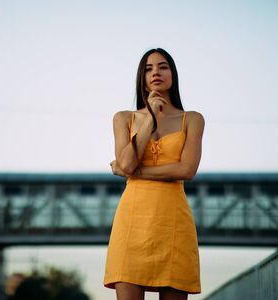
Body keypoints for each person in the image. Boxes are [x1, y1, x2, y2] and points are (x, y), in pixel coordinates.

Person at [103, 48, 205, 300]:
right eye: (148, 69)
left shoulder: (192, 119)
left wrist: (135, 172)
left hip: (173, 222)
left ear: (173, 74)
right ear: (141, 77)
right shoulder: (123, 118)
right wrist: (149, 120)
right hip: (132, 221)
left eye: (163, 66)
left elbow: (187, 169)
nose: (156, 73)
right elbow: (127, 163)